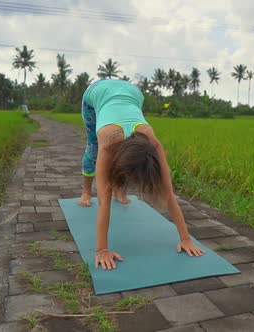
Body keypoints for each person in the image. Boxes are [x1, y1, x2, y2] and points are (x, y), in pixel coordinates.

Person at [79, 79, 205, 270]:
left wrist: (186, 239)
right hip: (97, 92)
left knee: (136, 175)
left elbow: (169, 194)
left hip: (133, 93)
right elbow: (104, 200)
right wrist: (101, 250)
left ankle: (119, 191)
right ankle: (85, 191)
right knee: (92, 147)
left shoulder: (153, 144)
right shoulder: (107, 138)